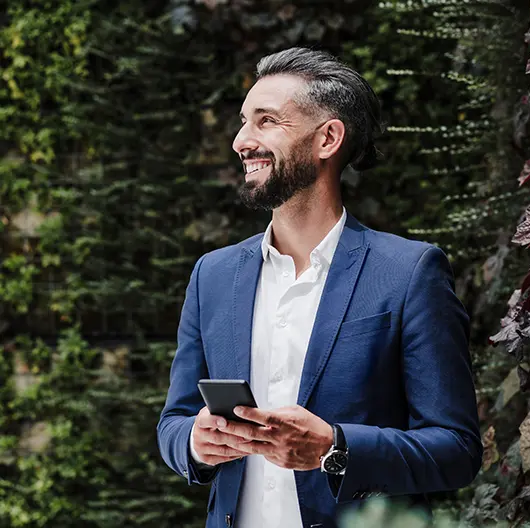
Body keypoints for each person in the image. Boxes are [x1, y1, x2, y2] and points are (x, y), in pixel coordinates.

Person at [157, 47, 482, 528]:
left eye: (266, 121)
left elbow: (456, 450)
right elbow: (173, 422)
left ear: (328, 138)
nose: (241, 140)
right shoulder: (213, 275)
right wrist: (195, 444)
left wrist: (335, 448)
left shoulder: (409, 272)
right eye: (244, 121)